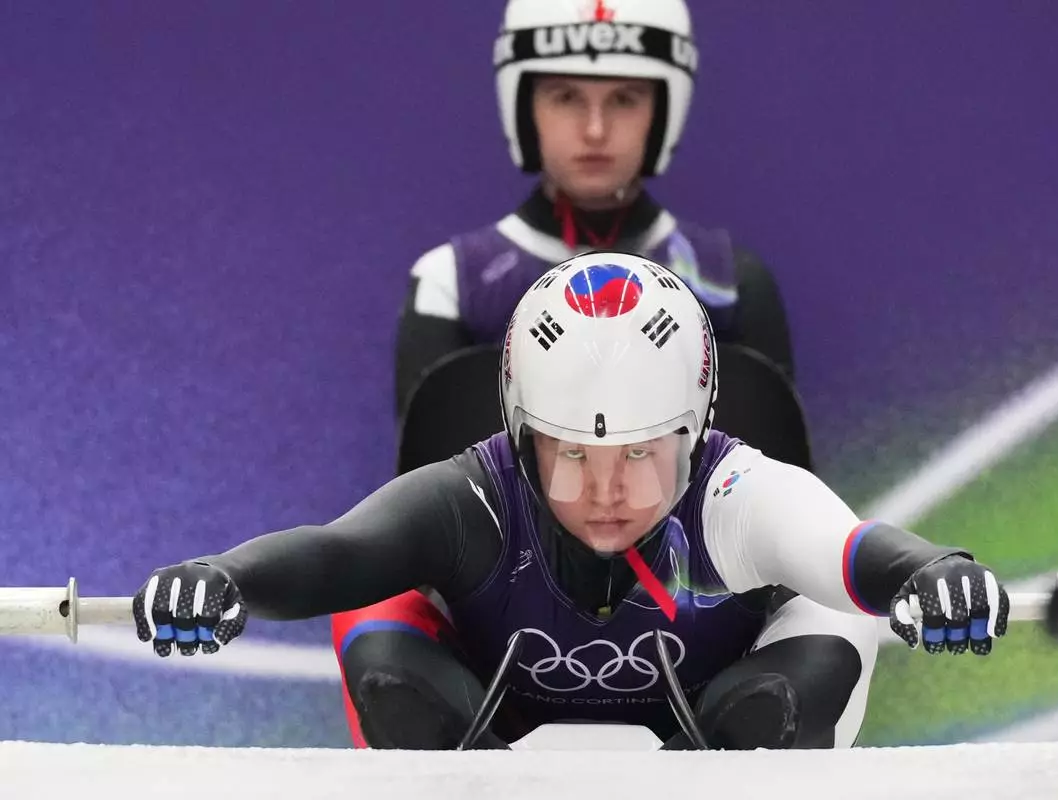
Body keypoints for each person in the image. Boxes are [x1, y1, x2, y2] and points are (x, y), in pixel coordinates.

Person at [132, 252, 1012, 751]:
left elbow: (852, 552)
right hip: (493, 724)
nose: (605, 494)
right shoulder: (478, 493)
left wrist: (932, 572)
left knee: (781, 698)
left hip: (722, 714)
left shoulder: (738, 492)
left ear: (693, 431)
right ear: (521, 436)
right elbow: (339, 554)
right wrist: (225, 578)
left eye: (639, 454)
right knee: (392, 673)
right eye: (570, 455)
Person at [394, 0, 795, 462]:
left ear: (662, 109)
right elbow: (434, 502)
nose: (595, 129)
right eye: (565, 97)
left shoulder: (731, 284)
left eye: (625, 99)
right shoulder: (451, 284)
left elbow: (773, 492)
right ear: (526, 107)